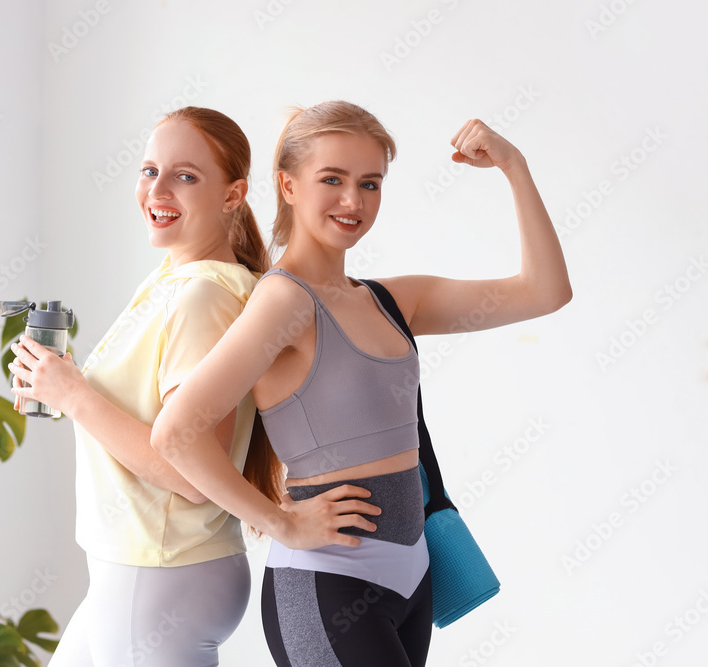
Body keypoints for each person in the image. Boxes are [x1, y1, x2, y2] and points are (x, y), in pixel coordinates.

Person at [152, 100, 572, 666]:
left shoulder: (389, 300)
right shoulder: (283, 302)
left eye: (370, 183)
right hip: (328, 586)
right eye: (333, 179)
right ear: (289, 185)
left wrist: (514, 165)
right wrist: (277, 521)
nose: (354, 201)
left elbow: (544, 292)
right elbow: (176, 432)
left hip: (413, 578)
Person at [8, 106, 378, 667]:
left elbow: (189, 475)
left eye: (185, 175)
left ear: (233, 196)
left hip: (157, 578)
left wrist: (74, 396)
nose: (157, 189)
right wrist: (57, 382)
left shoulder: (203, 298)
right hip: (142, 575)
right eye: (149, 170)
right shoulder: (175, 278)